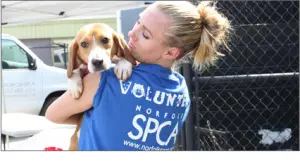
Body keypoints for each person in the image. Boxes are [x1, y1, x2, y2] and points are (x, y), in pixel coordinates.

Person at [45, 1, 231, 151]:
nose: (131, 33)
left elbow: (53, 114)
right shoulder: (181, 93)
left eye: (145, 34)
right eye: (138, 22)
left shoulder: (105, 80)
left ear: (170, 52)